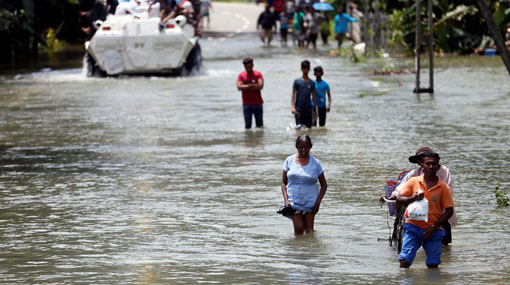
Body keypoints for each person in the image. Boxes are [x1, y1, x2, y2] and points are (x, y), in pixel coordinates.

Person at [381, 146, 457, 247]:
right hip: (419, 212)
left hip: (439, 213)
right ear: (420, 162)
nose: (430, 166)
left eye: (432, 162)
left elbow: (447, 191)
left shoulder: (443, 171)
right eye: (422, 160)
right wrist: (391, 196)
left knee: (443, 245)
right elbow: (400, 189)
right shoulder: (413, 174)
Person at [396, 152, 454, 268]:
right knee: (405, 262)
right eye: (428, 164)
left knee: (433, 265)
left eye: (434, 164)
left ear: (438, 166)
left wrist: (433, 227)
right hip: (413, 227)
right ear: (422, 165)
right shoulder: (413, 181)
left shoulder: (443, 187)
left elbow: (449, 211)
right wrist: (413, 198)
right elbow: (399, 199)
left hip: (434, 230)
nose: (431, 167)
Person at [281, 135, 328, 235]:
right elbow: (283, 183)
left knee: (309, 232)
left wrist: (317, 203)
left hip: (311, 203)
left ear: (310, 147)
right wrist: (286, 200)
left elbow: (324, 185)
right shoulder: (289, 161)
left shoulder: (316, 163)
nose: (303, 149)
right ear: (297, 147)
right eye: (301, 147)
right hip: (293, 202)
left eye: (306, 147)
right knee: (299, 229)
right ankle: (295, 250)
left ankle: (308, 250)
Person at [236, 57, 264, 129]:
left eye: (249, 66)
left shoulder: (258, 74)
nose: (248, 68)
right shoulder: (241, 75)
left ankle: (259, 139)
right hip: (246, 104)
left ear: (252, 65)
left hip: (258, 104)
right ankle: (248, 140)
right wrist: (252, 86)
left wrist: (245, 86)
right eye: (246, 66)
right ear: (244, 66)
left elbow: (260, 86)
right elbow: (239, 87)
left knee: (260, 126)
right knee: (247, 126)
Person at [291, 60, 317, 129]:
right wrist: (293, 107)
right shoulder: (297, 81)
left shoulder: (312, 83)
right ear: (301, 69)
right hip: (298, 109)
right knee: (299, 128)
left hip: (308, 109)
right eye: (304, 68)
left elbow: (314, 96)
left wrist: (315, 110)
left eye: (307, 68)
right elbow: (293, 94)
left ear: (309, 69)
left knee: (308, 129)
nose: (305, 70)